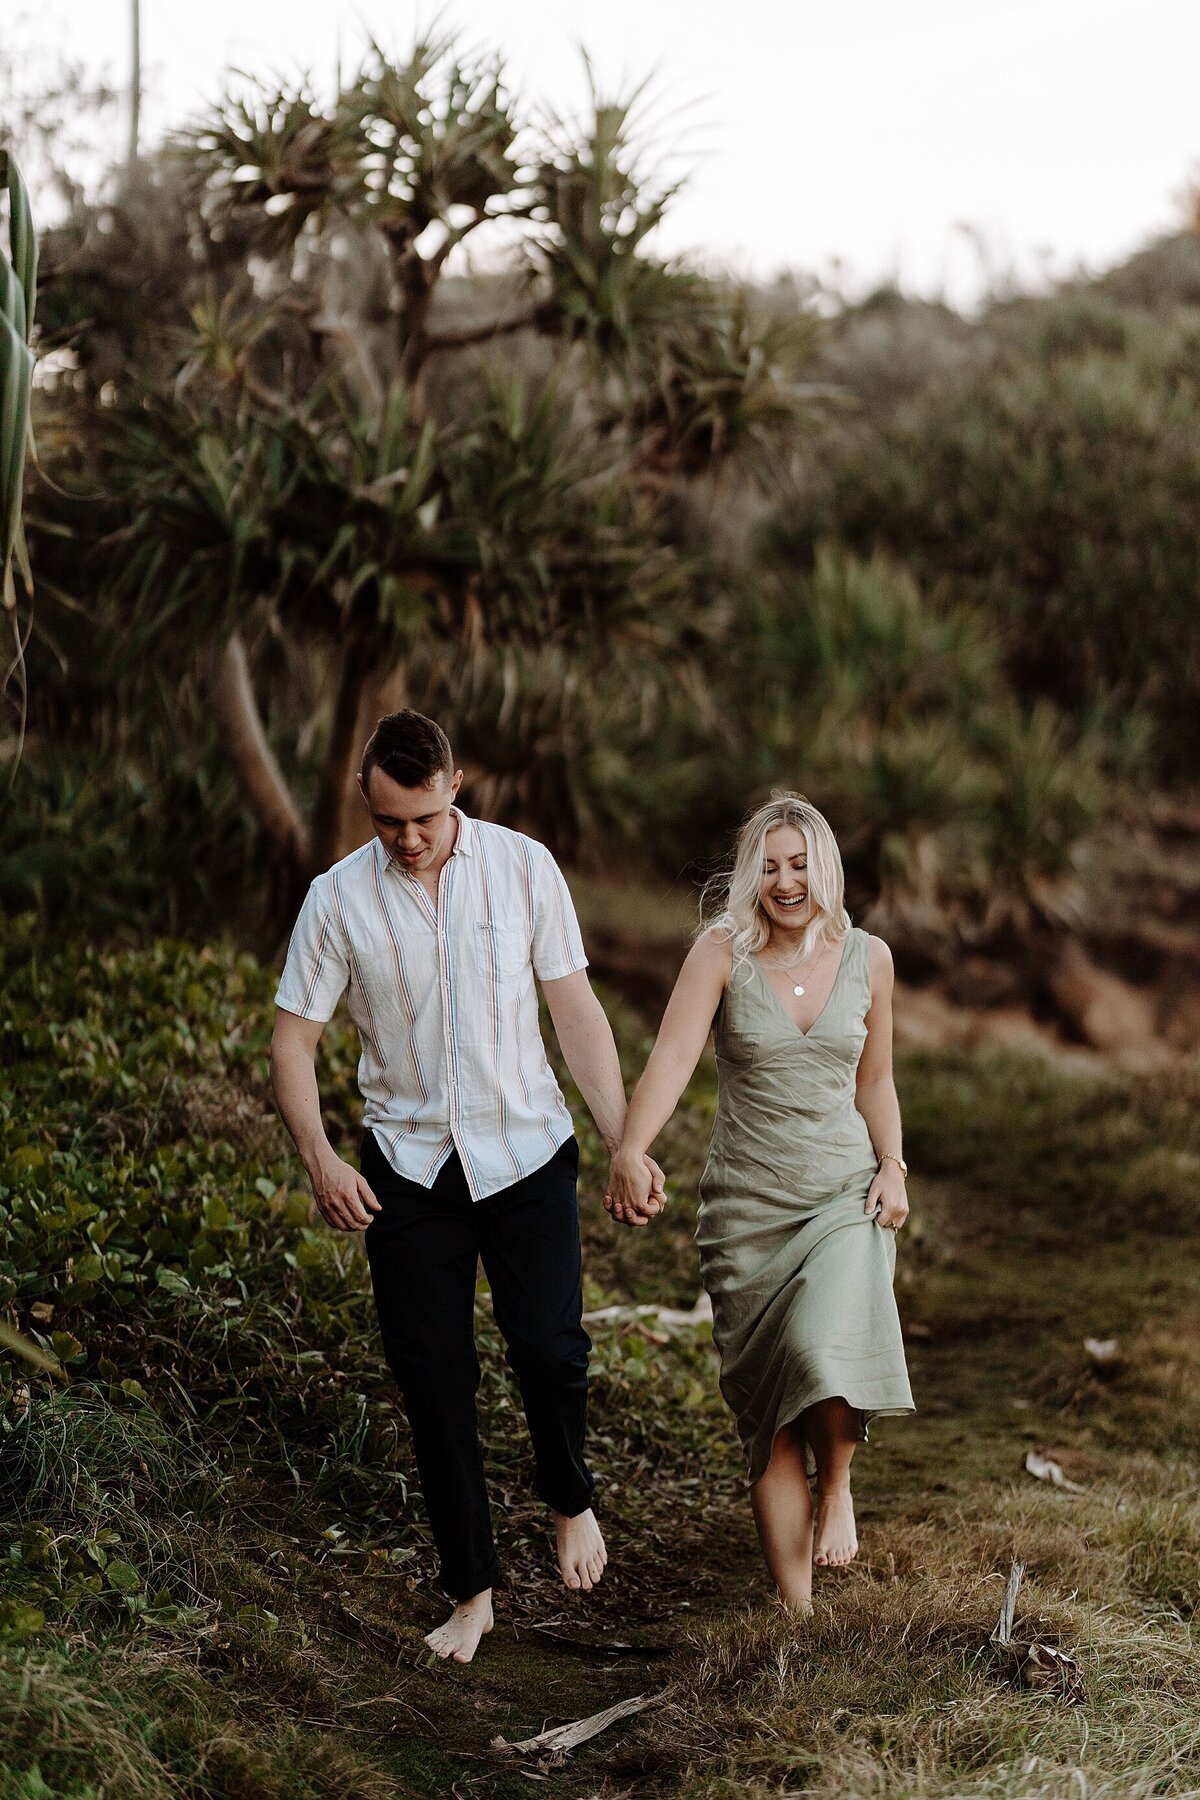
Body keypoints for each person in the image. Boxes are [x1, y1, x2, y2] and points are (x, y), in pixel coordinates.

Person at [270, 709, 663, 1663]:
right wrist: (321, 1160)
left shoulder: (526, 868)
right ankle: (472, 1591)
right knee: (433, 1379)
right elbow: (293, 1037)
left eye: (423, 819)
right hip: (406, 1170)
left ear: (456, 789)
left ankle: (569, 1497)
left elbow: (574, 1009)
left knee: (548, 1348)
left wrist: (623, 1142)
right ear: (370, 805)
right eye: (387, 823)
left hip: (524, 1149)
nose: (407, 840)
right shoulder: (336, 899)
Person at [605, 793, 913, 1613]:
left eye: (800, 864)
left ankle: (839, 1482)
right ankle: (796, 1613)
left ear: (826, 868)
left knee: (823, 1351)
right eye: (770, 866)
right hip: (747, 1211)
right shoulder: (720, 954)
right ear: (750, 874)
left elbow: (874, 1080)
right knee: (770, 1422)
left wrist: (895, 1165)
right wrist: (632, 1149)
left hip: (845, 1195)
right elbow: (671, 1057)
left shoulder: (868, 958)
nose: (785, 882)